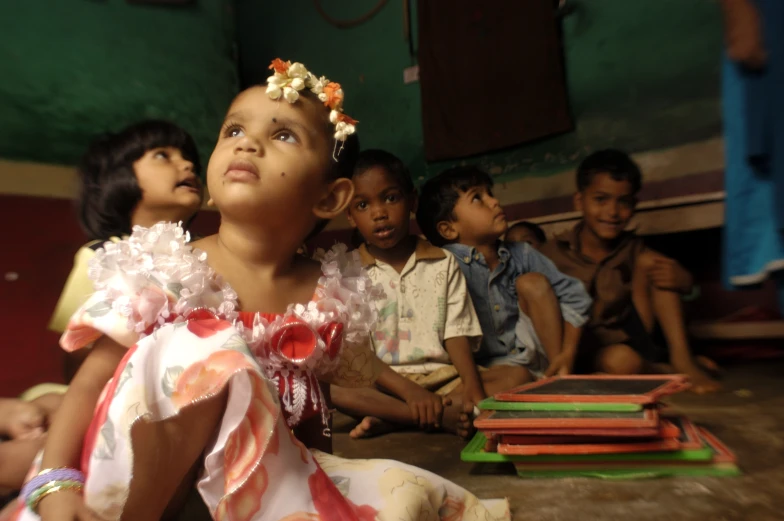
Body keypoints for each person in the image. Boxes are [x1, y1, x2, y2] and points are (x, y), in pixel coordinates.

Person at [15, 59, 510, 521]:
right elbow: (87, 387)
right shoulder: (167, 266)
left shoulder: (329, 294)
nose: (247, 144)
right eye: (234, 129)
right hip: (136, 485)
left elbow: (313, 423)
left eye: (283, 135)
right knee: (199, 346)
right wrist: (56, 483)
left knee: (404, 492)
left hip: (250, 490)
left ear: (329, 197)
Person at [0, 120, 204, 497]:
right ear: (120, 178)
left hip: (163, 404)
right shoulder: (101, 257)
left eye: (190, 158)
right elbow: (76, 358)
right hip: (96, 393)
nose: (188, 165)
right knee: (46, 414)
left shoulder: (205, 261)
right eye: (164, 156)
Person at [332, 150, 528, 439]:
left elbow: (456, 333)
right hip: (384, 383)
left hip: (444, 379)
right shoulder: (348, 272)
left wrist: (474, 391)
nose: (379, 213)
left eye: (390, 198)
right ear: (350, 215)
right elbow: (357, 353)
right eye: (363, 205)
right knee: (332, 387)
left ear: (412, 201)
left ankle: (397, 418)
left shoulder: (442, 262)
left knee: (518, 377)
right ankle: (430, 414)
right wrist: (410, 392)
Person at [538, 149, 720, 393]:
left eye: (622, 202)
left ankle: (683, 360)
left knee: (654, 265)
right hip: (569, 349)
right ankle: (665, 373)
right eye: (600, 199)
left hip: (621, 346)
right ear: (579, 201)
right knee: (622, 363)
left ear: (634, 204)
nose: (612, 212)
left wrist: (687, 284)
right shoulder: (553, 253)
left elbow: (666, 292)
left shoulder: (633, 250)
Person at [416, 166, 592, 382]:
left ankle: (559, 378)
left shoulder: (522, 254)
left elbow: (576, 297)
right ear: (449, 229)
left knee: (532, 283)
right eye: (477, 198)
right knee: (495, 385)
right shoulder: (442, 267)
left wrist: (567, 355)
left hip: (536, 357)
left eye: (490, 193)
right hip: (485, 372)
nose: (494, 201)